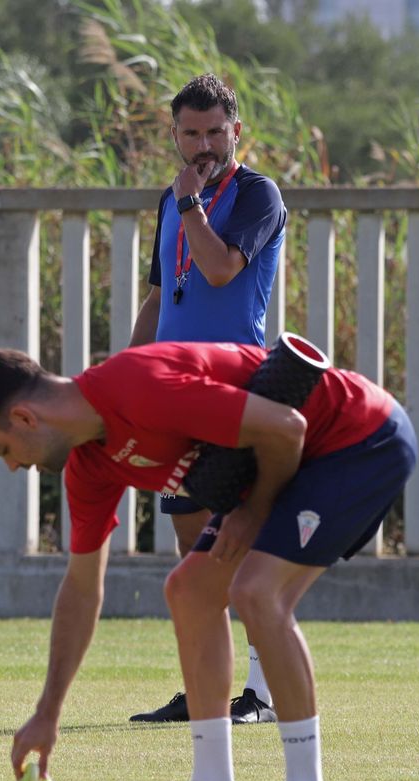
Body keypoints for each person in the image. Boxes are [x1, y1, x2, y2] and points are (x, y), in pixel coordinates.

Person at [0, 339, 415, 781]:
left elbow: (287, 427)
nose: (11, 466)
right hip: (292, 459)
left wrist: (253, 511)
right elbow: (82, 589)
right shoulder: (90, 464)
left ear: (23, 418)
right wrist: (47, 711)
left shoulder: (138, 385)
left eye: (1, 451)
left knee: (257, 591)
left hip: (359, 437)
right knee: (190, 591)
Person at [127, 72, 288, 726]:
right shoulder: (172, 200)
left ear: (235, 131)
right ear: (174, 134)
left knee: (238, 545)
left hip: (232, 387)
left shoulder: (256, 194)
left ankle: (262, 692)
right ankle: (204, 690)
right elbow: (158, 296)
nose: (203, 146)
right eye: (190, 133)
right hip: (174, 391)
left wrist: (192, 204)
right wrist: (128, 374)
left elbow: (220, 269)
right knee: (193, 544)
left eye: (215, 132)